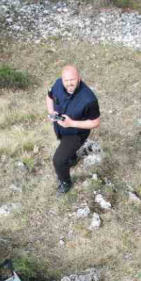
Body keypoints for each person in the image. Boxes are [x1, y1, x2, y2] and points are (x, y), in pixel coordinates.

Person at [46, 64, 101, 194]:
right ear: (62, 79)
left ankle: (65, 182)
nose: (70, 83)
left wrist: (71, 123)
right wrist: (51, 111)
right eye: (67, 80)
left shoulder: (89, 99)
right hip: (60, 127)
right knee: (65, 152)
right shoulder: (58, 84)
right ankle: (72, 158)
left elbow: (96, 122)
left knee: (58, 160)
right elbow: (49, 96)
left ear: (79, 78)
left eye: (73, 80)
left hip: (76, 133)